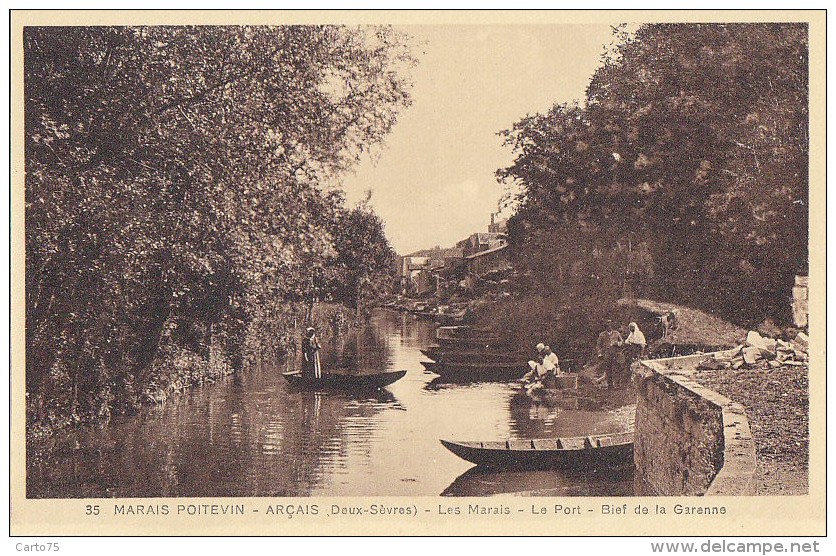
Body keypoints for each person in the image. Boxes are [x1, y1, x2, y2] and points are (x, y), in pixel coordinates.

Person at [596, 321, 623, 389]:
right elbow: (598, 345)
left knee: (616, 369)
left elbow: (622, 342)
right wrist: (600, 354)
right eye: (608, 326)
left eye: (610, 326)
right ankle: (610, 385)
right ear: (605, 327)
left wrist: (617, 343)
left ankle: (616, 385)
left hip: (616, 354)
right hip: (607, 354)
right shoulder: (602, 335)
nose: (609, 327)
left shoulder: (616, 333)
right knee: (608, 369)